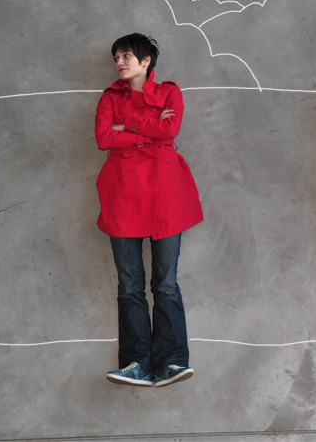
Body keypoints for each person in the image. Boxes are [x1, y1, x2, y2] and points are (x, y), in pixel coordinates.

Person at [95, 33, 202, 387]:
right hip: (122, 194)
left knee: (166, 283)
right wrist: (148, 132)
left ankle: (172, 362)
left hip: (165, 196)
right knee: (129, 286)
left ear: (146, 61)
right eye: (116, 57)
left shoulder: (170, 92)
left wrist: (128, 126)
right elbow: (103, 137)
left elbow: (170, 129)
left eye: (126, 56)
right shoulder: (110, 97)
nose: (119, 62)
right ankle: (136, 364)